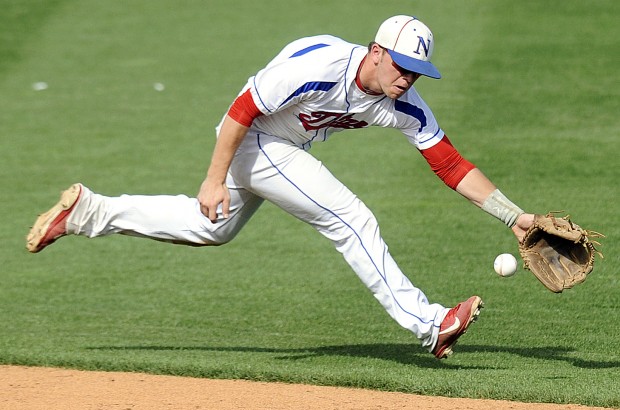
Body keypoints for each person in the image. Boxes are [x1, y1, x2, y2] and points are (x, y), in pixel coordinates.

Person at [26, 15, 535, 359]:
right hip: (251, 137)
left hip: (286, 146)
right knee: (350, 217)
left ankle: (88, 213)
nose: (408, 80)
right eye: (402, 67)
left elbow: (449, 163)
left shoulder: (403, 102)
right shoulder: (320, 70)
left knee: (211, 231)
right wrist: (212, 178)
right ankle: (430, 325)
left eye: (419, 72)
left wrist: (515, 218)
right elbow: (241, 110)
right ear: (377, 52)